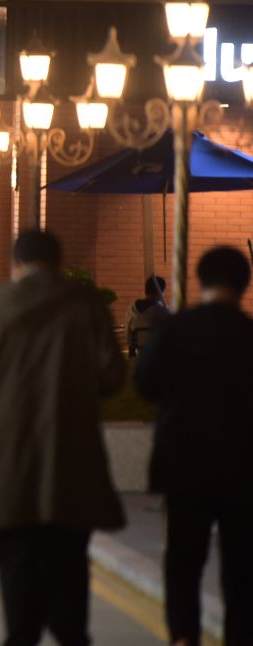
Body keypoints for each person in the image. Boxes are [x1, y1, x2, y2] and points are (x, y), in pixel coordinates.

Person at [0, 230, 125, 646]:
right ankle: (70, 631)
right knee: (69, 559)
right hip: (70, 449)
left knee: (15, 559)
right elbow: (112, 376)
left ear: (16, 263)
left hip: (6, 452)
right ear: (59, 261)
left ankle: (21, 633)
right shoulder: (86, 305)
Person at [137, 246, 253, 646]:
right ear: (244, 284)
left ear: (200, 281)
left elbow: (146, 384)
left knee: (184, 559)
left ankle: (184, 635)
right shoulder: (249, 334)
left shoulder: (175, 330)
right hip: (243, 468)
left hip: (183, 463)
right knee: (241, 566)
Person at [125, 273, 168, 357]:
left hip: (137, 352)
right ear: (160, 292)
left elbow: (127, 331)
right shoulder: (161, 310)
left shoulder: (131, 308)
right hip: (157, 353)